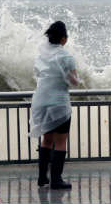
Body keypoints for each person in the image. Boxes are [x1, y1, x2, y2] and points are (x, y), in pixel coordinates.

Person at [29, 21, 79, 189]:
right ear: (64, 39)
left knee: (46, 139)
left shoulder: (41, 55)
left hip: (41, 101)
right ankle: (56, 179)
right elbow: (74, 82)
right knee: (61, 141)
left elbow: (38, 73)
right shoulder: (66, 57)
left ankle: (42, 177)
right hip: (59, 103)